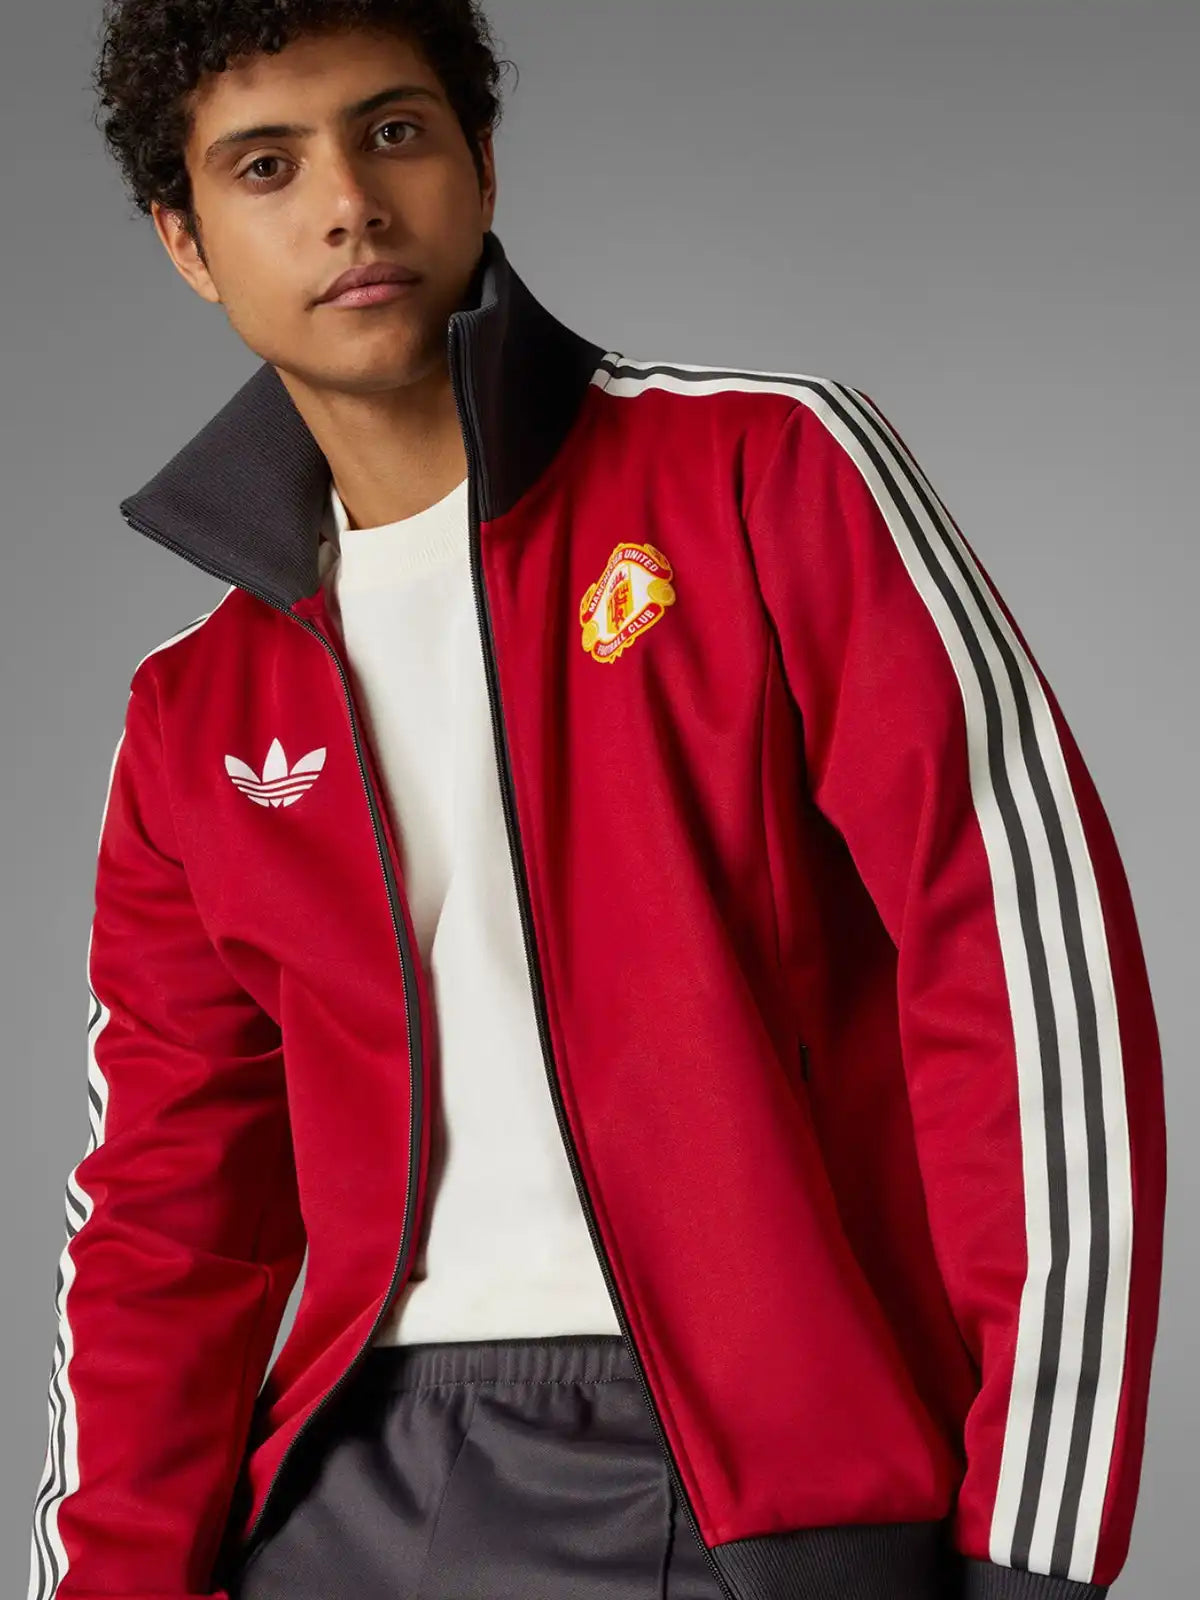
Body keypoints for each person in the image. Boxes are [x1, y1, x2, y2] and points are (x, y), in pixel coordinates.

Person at [25, 3, 1166, 1599]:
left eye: (394, 131)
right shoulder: (194, 707)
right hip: (339, 1487)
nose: (348, 203)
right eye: (265, 166)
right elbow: (165, 1217)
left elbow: (1028, 979)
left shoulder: (764, 472)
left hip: (735, 1479)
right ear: (187, 241)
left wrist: (1033, 1542)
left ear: (482, 162)